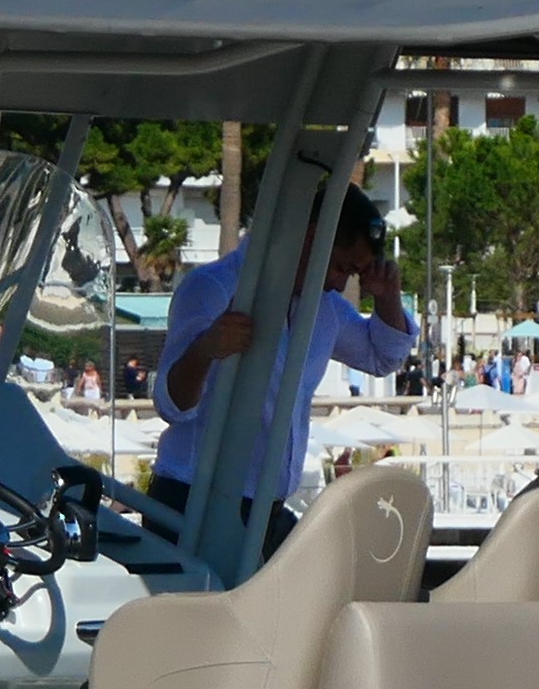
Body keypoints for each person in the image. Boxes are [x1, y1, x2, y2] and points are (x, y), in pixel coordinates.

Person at [152, 193, 412, 550]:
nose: (339, 284)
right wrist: (206, 348)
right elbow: (171, 405)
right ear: (312, 239)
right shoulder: (213, 287)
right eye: (341, 267)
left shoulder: (325, 309)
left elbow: (382, 357)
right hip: (192, 501)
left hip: (265, 512)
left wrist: (387, 298)